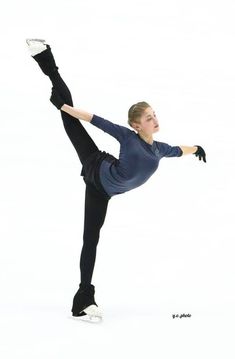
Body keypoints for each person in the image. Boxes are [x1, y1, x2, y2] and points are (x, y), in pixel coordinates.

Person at [26, 39, 206, 322]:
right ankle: (44, 57)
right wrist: (63, 107)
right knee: (69, 118)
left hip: (102, 193)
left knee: (91, 239)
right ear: (137, 125)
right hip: (95, 164)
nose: (154, 120)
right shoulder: (127, 136)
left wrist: (197, 148)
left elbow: (178, 151)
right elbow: (95, 120)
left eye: (154, 115)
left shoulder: (159, 150)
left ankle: (83, 298)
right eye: (149, 118)